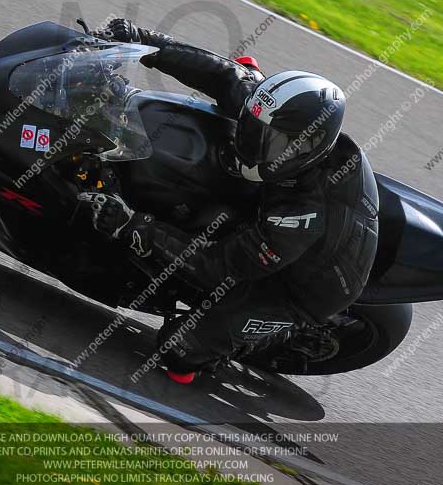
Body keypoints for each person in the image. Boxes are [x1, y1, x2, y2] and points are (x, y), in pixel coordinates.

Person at [79, 19, 379, 383]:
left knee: (178, 354)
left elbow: (218, 266)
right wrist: (144, 42)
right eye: (254, 129)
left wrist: (134, 226)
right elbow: (225, 75)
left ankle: (283, 333)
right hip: (274, 210)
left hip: (300, 288)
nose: (250, 142)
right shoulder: (277, 121)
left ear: (306, 149)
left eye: (270, 142)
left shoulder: (302, 213)